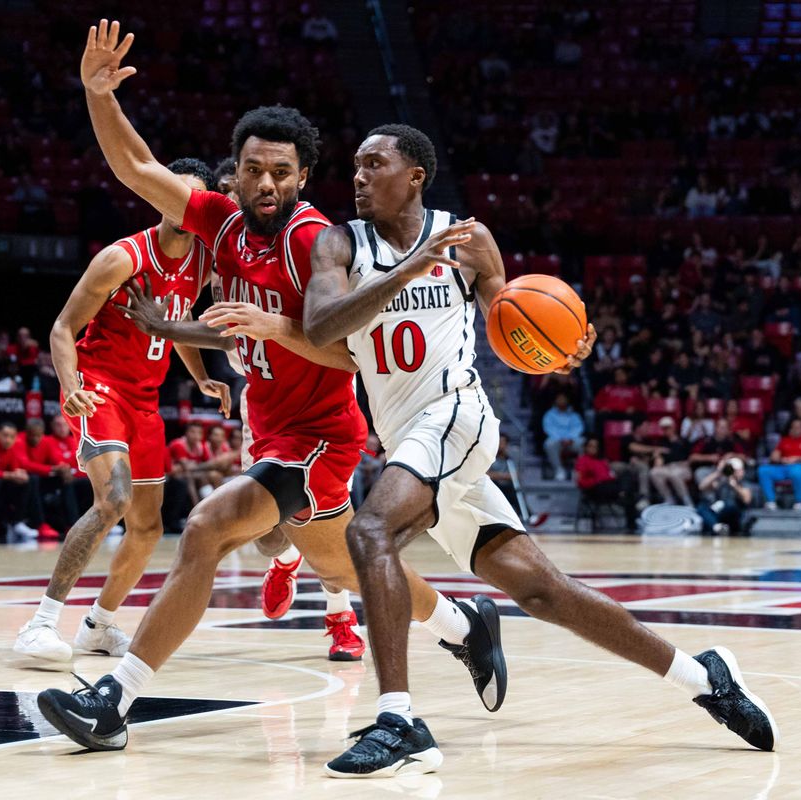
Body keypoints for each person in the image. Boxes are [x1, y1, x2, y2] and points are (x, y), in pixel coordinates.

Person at [37, 23, 488, 749]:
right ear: (234, 174)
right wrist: (96, 96)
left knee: (207, 530)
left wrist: (280, 330)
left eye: (281, 172)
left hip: (321, 436)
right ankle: (464, 624)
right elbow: (137, 167)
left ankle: (113, 704)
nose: (267, 184)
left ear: (303, 178)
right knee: (340, 560)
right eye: (254, 170)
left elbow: (361, 361)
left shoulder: (318, 243)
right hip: (269, 423)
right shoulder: (217, 222)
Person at [299, 123, 774, 775]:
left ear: (414, 175)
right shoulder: (337, 244)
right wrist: (408, 268)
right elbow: (321, 324)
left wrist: (556, 352)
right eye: (354, 165)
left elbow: (511, 325)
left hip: (456, 414)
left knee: (370, 532)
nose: (357, 176)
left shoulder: (468, 241)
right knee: (544, 592)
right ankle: (706, 679)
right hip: (410, 438)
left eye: (373, 164)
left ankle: (398, 721)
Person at [14, 157, 233, 662]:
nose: (179, 203)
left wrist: (200, 376)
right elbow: (63, 328)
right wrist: (70, 386)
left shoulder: (202, 262)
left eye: (189, 196)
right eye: (170, 192)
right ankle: (41, 622)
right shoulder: (122, 258)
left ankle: (99, 624)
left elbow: (178, 325)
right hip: (100, 388)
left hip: (146, 400)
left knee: (148, 527)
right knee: (112, 499)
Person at [13, 418, 70, 539]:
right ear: (26, 433)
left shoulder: (46, 441)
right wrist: (52, 469)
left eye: (38, 435)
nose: (36, 439)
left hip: (41, 479)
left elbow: (56, 460)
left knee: (66, 480)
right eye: (32, 435)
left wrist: (63, 467)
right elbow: (24, 464)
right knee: (33, 479)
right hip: (20, 481)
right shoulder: (18, 440)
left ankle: (70, 524)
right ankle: (40, 524)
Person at [574, 437, 639, 530]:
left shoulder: (602, 460)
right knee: (629, 495)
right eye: (590, 446)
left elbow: (609, 474)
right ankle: (624, 495)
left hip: (609, 485)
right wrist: (596, 481)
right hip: (594, 488)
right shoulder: (582, 461)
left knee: (627, 475)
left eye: (595, 446)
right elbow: (580, 482)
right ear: (585, 447)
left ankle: (623, 494)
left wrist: (612, 478)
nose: (593, 448)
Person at [757, 418, 801, 510]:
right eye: (794, 427)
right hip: (784, 468)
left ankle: (799, 502)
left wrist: (797, 459)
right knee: (763, 470)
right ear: (790, 429)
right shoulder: (785, 440)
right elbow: (774, 457)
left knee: (796, 471)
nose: (796, 429)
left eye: (798, 427)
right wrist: (783, 459)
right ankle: (771, 502)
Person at [695, 455, 752, 535]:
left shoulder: (744, 483)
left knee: (730, 505)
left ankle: (716, 526)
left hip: (735, 513)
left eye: (735, 470)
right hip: (721, 511)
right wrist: (718, 472)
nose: (733, 472)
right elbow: (702, 487)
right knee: (702, 506)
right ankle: (717, 527)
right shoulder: (722, 481)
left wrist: (734, 485)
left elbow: (747, 499)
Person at [542, 392, 583, 480]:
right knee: (548, 444)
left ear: (567, 400)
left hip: (571, 441)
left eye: (563, 398)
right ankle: (559, 470)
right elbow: (548, 428)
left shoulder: (574, 415)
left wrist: (570, 438)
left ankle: (578, 470)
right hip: (557, 441)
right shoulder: (549, 414)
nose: (561, 401)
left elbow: (578, 427)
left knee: (583, 443)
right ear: (555, 401)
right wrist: (560, 439)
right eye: (559, 399)